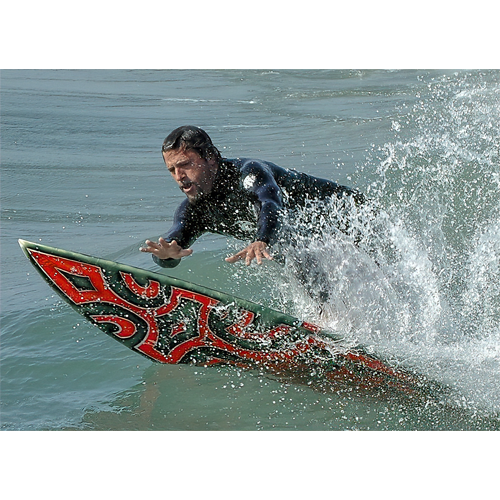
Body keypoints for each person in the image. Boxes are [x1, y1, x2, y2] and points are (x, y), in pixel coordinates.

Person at [140, 125, 366, 280]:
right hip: (310, 237)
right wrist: (166, 255)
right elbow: (174, 239)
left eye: (185, 164)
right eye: (172, 170)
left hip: (349, 213)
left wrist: (261, 239)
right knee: (296, 254)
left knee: (388, 273)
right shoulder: (194, 211)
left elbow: (270, 203)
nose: (178, 175)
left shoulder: (250, 173)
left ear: (210, 157)